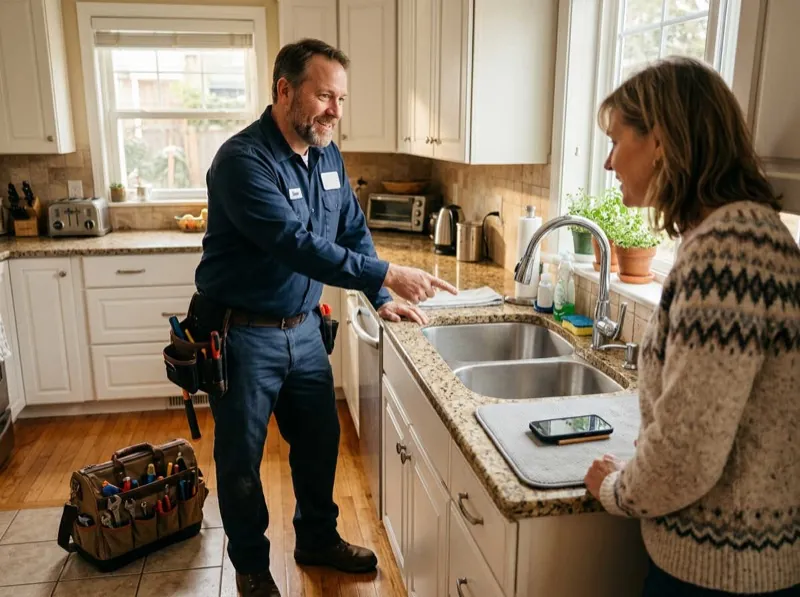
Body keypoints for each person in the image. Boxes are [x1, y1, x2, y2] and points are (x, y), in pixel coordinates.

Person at [194, 38, 457, 597]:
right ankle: (250, 567)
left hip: (306, 332)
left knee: (319, 443)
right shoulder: (242, 161)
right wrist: (386, 274)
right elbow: (293, 243)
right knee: (241, 462)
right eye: (324, 96)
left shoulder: (327, 153)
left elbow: (349, 231)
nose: (335, 111)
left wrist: (381, 296)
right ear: (285, 90)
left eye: (341, 98)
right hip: (243, 336)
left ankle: (317, 538)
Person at [583, 57, 799, 596]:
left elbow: (686, 452)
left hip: (716, 573)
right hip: (741, 562)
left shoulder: (726, 255)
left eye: (616, 140)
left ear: (658, 140)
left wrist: (614, 489)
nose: (610, 162)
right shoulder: (746, 235)